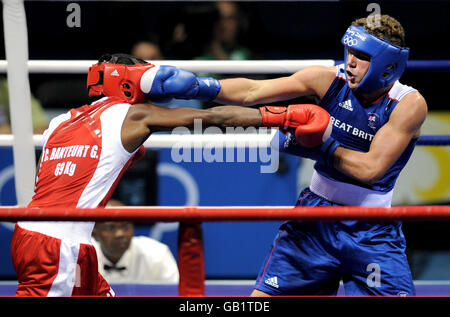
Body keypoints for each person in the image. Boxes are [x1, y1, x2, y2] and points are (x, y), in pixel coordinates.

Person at [135, 15, 427, 295]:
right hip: (314, 220)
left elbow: (370, 169)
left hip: (371, 232)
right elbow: (252, 91)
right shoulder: (326, 80)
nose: (349, 61)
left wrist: (318, 145)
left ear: (387, 66)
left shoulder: (407, 104)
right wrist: (200, 86)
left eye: (361, 56)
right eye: (349, 50)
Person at [10, 53, 328, 296]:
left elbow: (62, 177)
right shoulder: (131, 113)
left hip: (30, 235)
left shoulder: (60, 122)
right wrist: (282, 116)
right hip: (60, 247)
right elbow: (213, 117)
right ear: (130, 82)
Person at [92, 199, 179, 283]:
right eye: (111, 228)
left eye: (126, 226)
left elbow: (176, 292)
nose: (120, 234)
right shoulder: (82, 256)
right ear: (94, 234)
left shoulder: (157, 254)